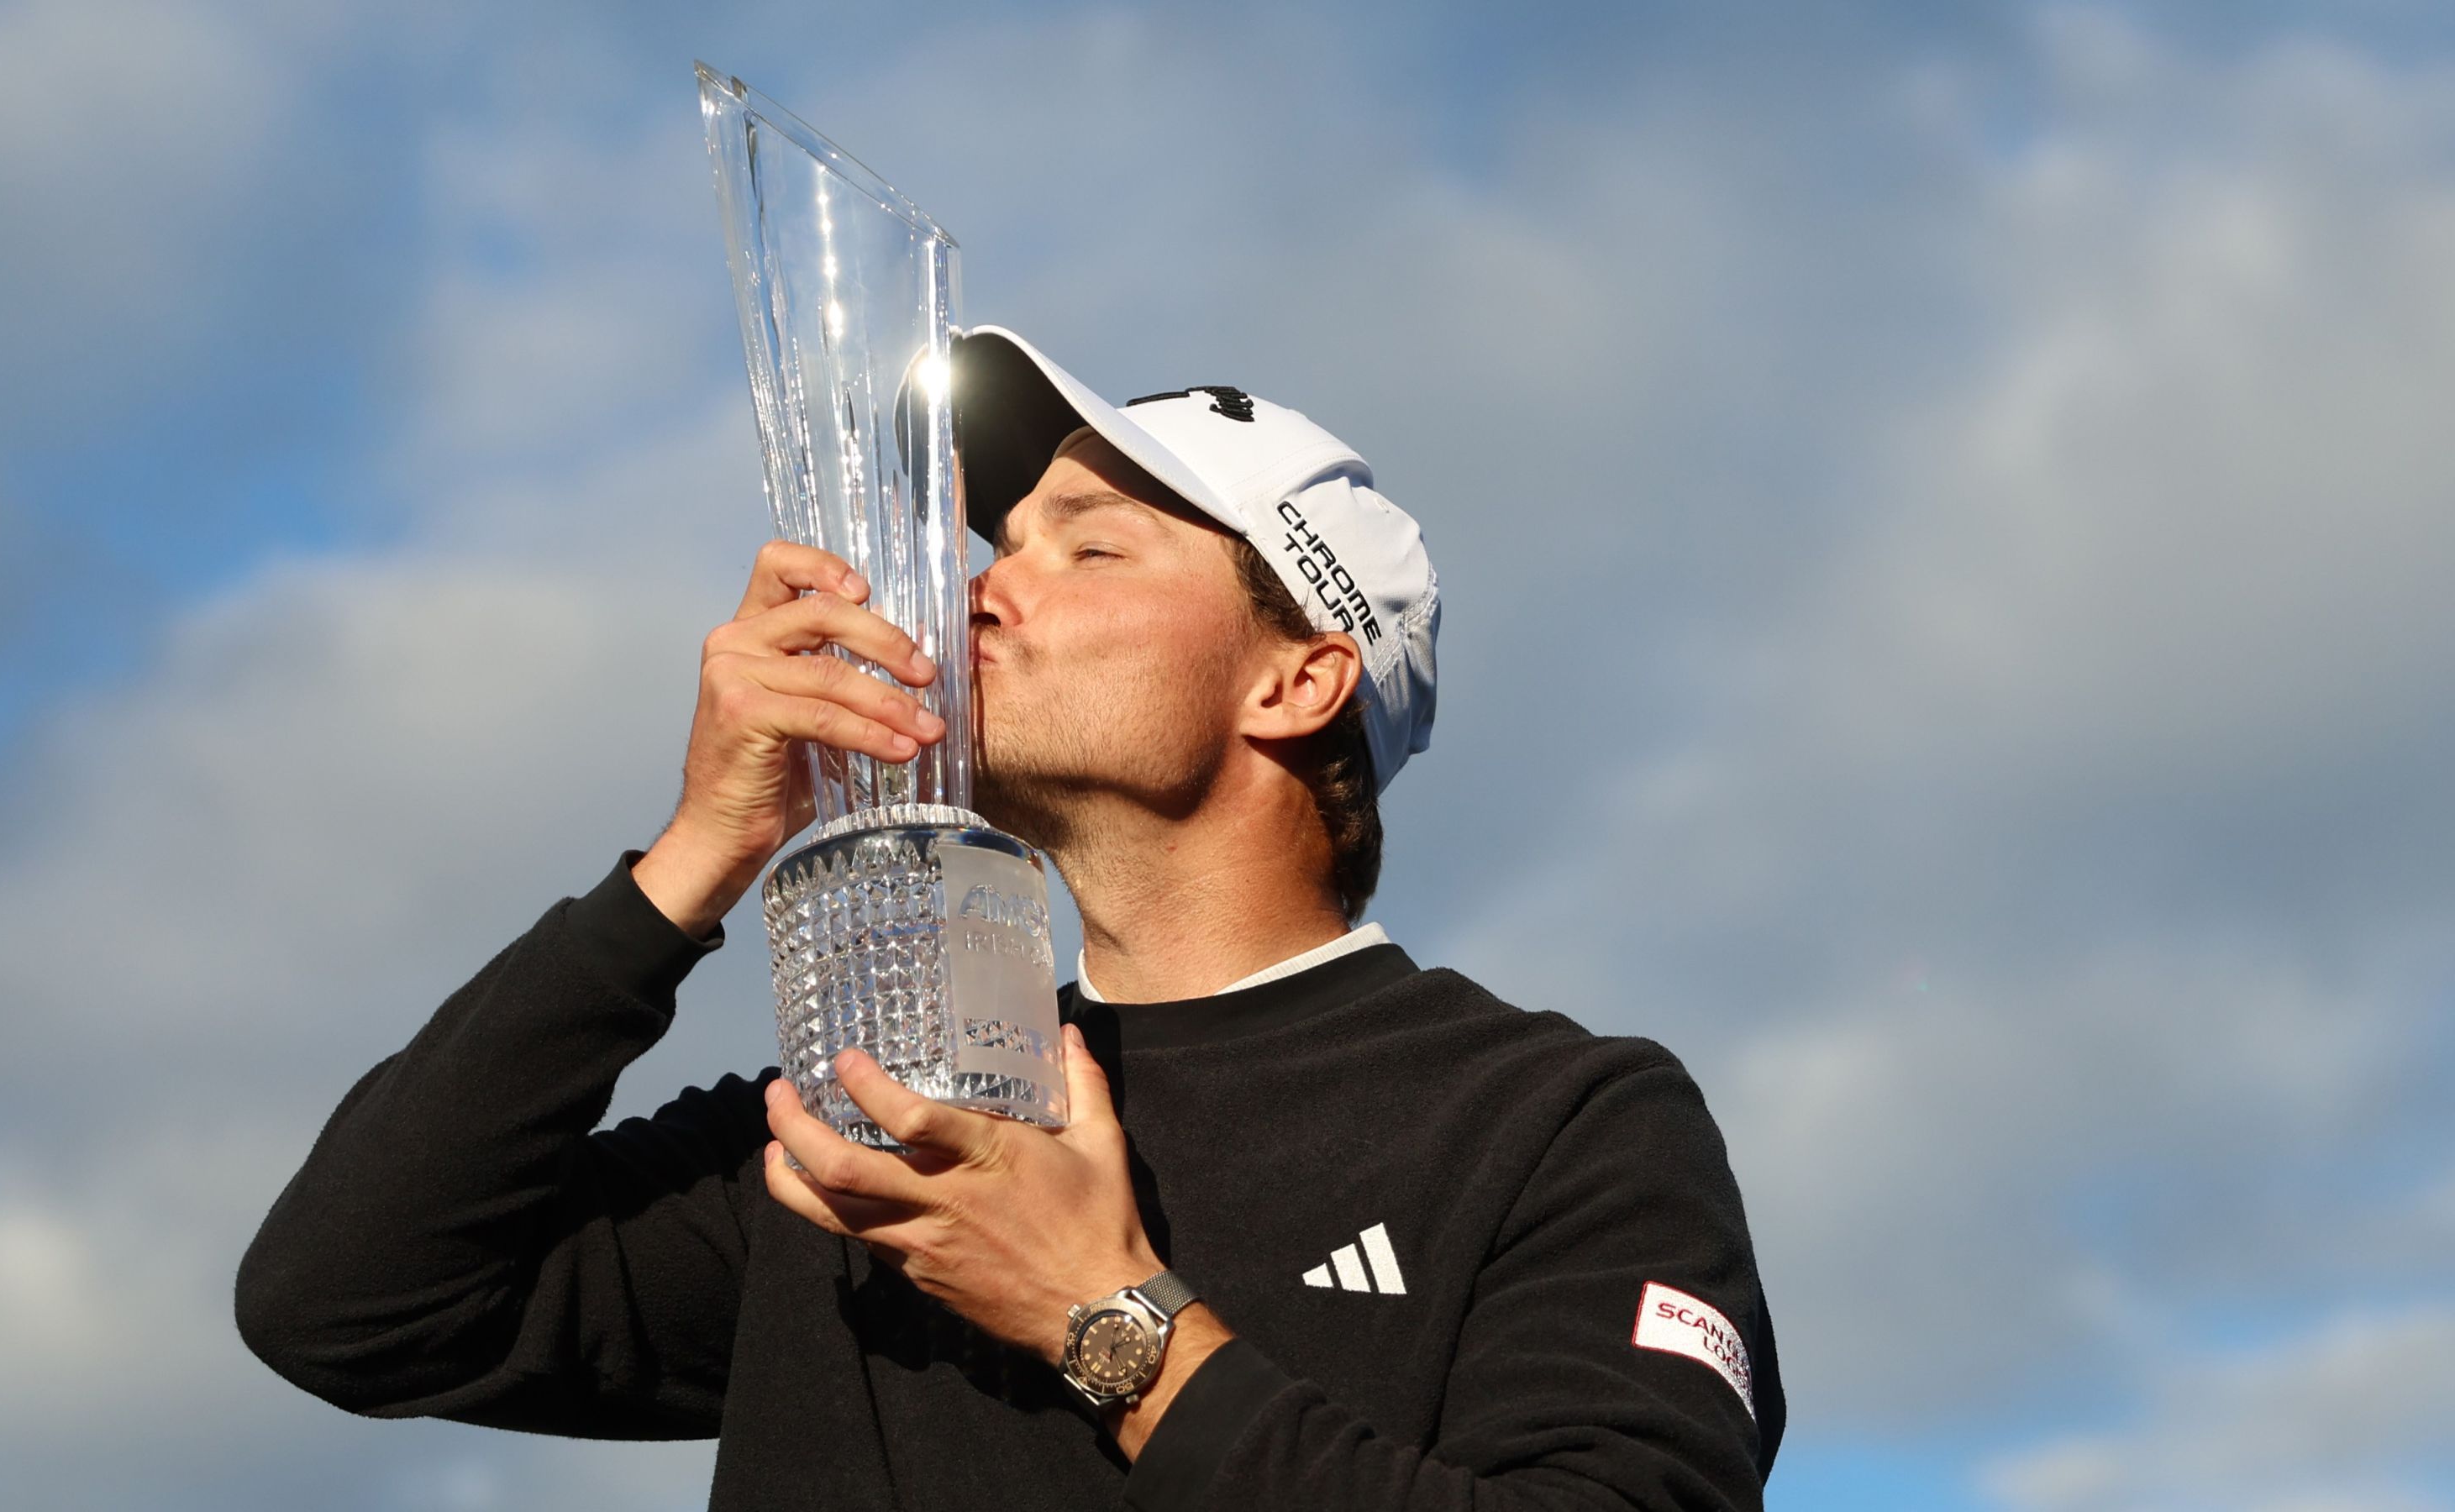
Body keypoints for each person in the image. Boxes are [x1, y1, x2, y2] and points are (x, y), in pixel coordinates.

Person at [235, 327, 1785, 1509]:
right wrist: (700, 853)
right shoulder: (879, 1112)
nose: (982, 591)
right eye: (1001, 545)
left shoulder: (1561, 1122)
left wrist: (1107, 1319)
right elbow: (347, 1304)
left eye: (1091, 545)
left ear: (1295, 678)